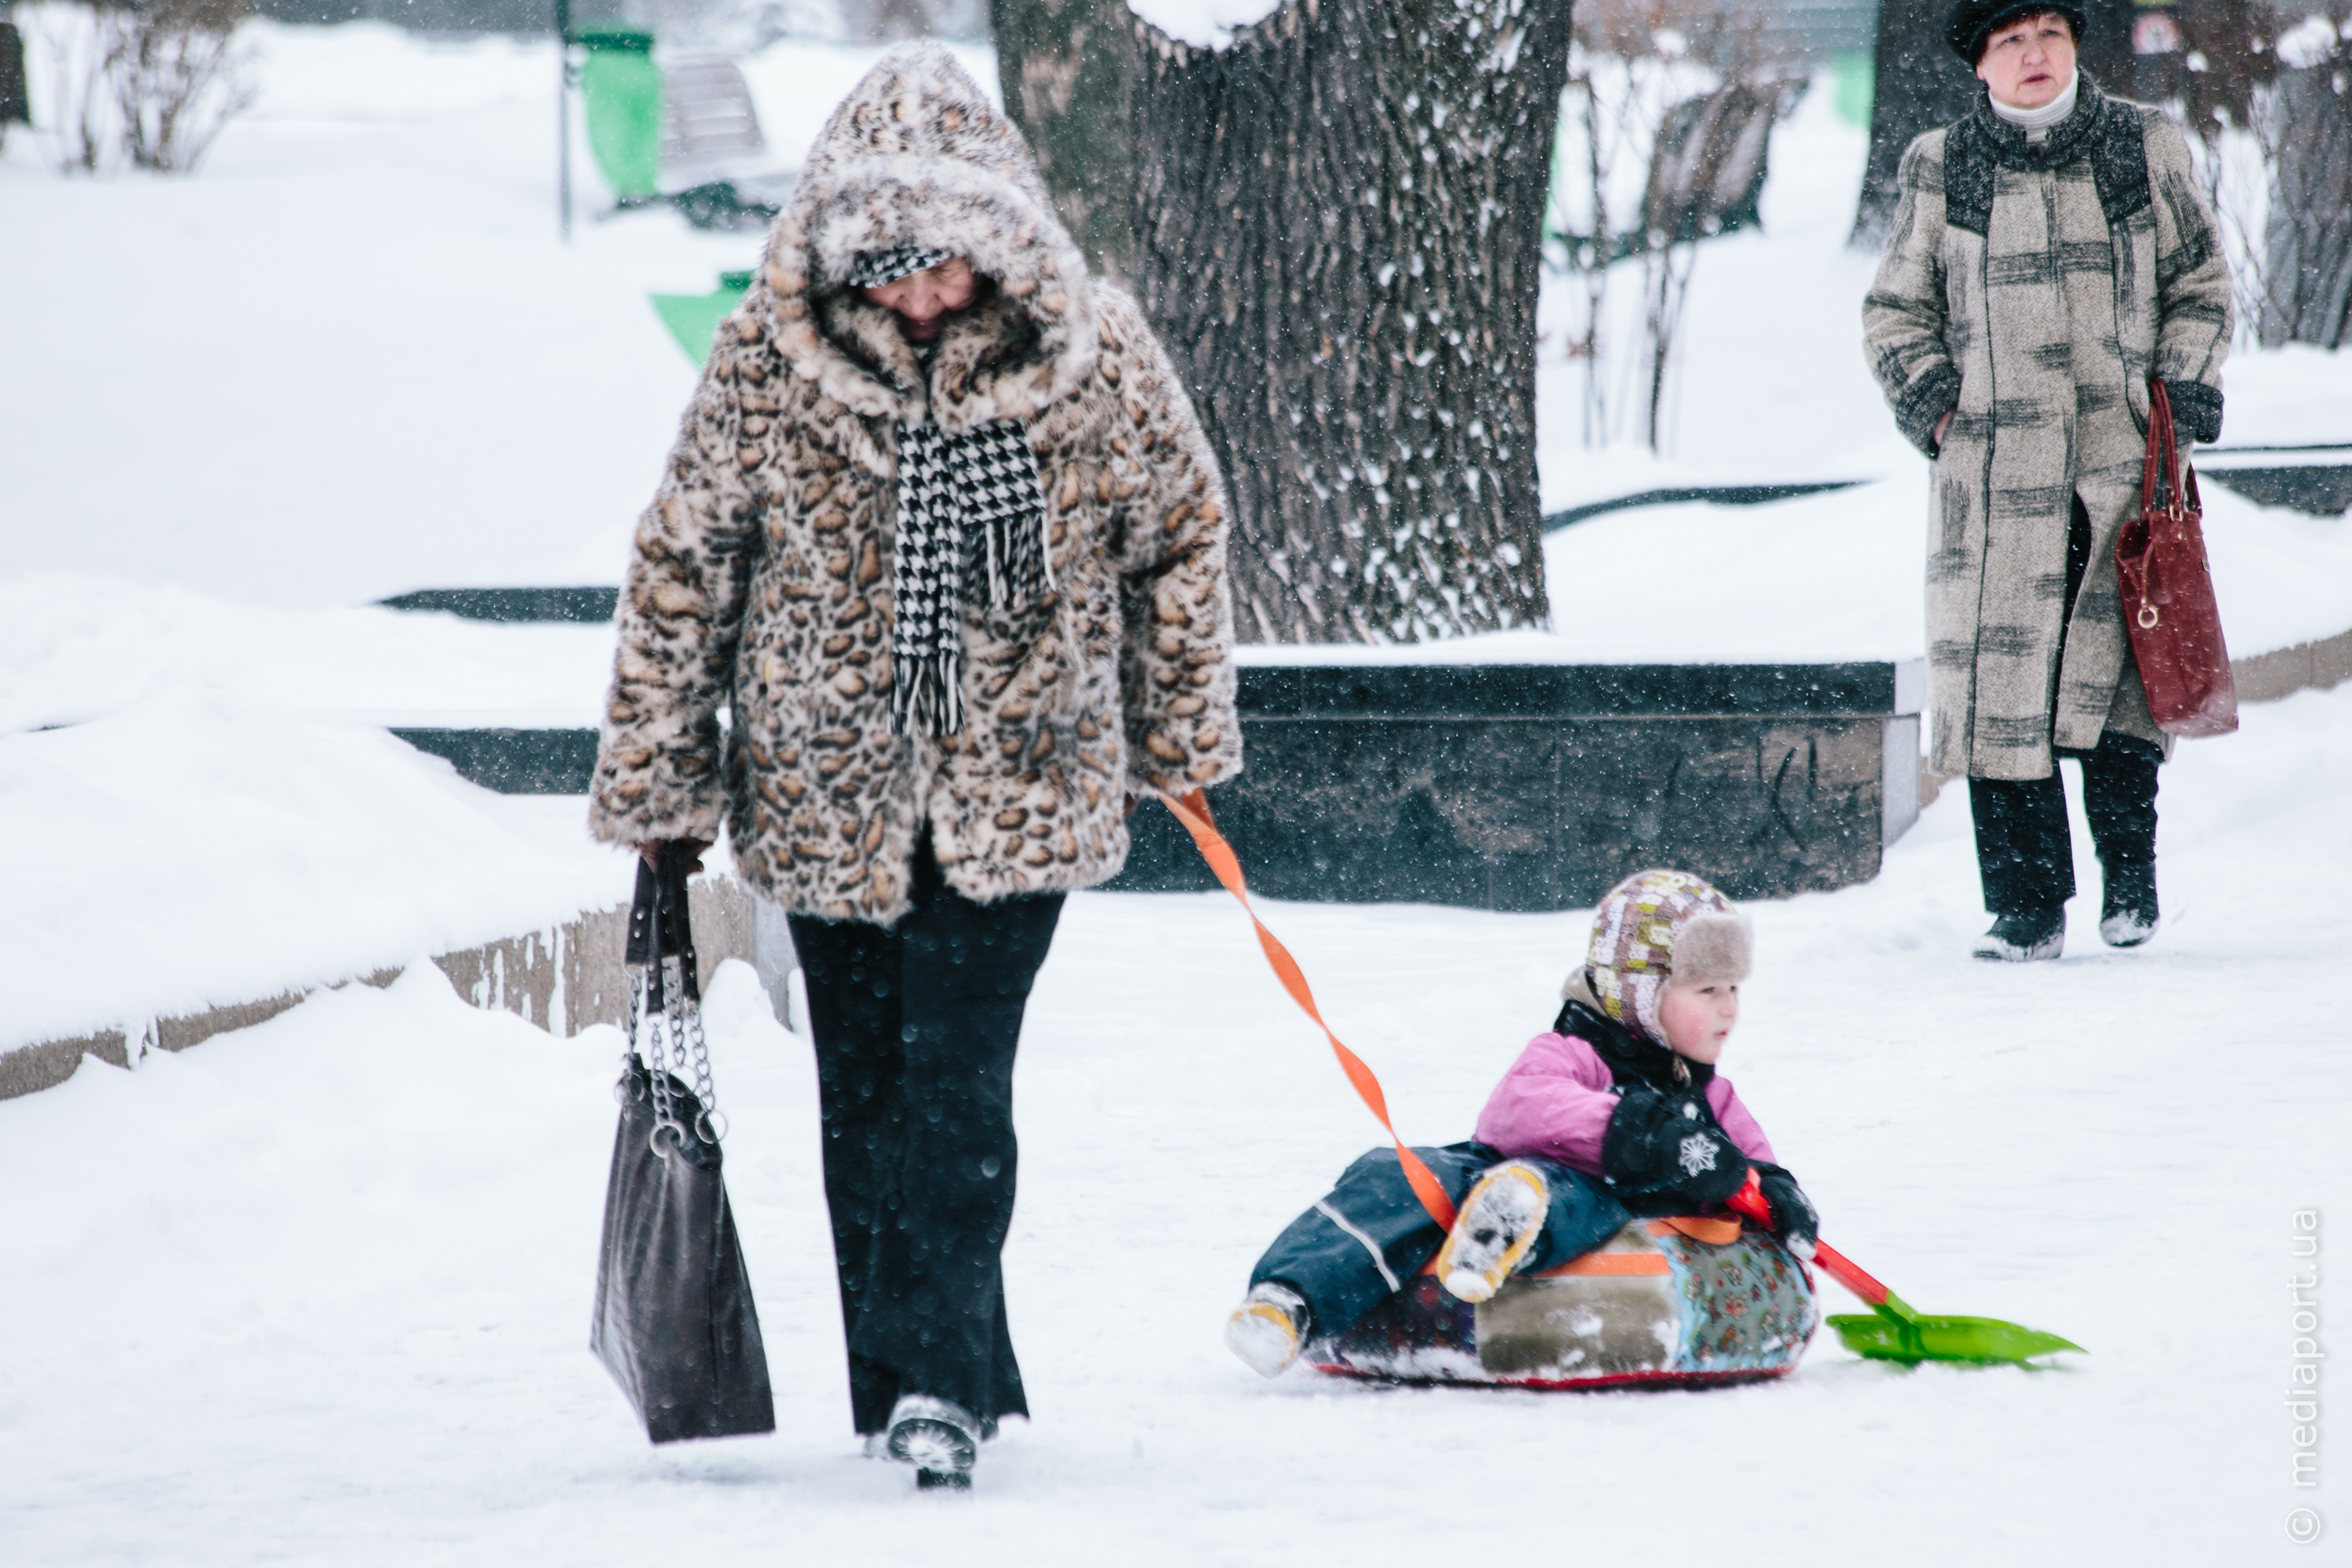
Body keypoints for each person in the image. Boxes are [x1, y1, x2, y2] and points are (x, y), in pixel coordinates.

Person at [585, 44, 1242, 1488]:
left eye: (943, 268)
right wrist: (660, 785)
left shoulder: (1097, 352)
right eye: (884, 270)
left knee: (958, 1084)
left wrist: (1176, 727)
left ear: (1000, 243)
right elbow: (686, 563)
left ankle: (938, 1378)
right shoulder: (768, 359)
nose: (919, 298)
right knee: (866, 1089)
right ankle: (917, 1374)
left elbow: (1180, 533)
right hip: (828, 790)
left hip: (1027, 778)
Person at [1863, 2, 2233, 962]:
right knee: (2001, 693)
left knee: (2122, 678)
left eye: (2049, 35)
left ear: (2074, 45)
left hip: (2123, 461)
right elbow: (1895, 310)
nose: (2032, 56)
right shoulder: (1942, 163)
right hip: (1992, 479)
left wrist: (2179, 396)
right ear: (1978, 66)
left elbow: (2200, 281)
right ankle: (2027, 907)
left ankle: (2131, 879)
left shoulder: (2143, 146)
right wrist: (1941, 408)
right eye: (2008, 43)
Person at [1224, 869, 1818, 1376]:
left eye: (1734, 988)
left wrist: (1778, 1192)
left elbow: (1752, 1161)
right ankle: (1288, 1300)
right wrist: (1635, 1132)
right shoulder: (1571, 1051)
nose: (1729, 1008)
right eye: (1707, 988)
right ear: (1639, 993)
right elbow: (1517, 1108)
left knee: (1583, 1201)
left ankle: (1507, 1225)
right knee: (1403, 1174)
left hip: (1592, 1209)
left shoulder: (1711, 1095)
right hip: (1506, 1166)